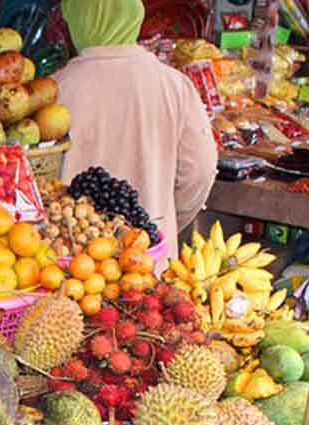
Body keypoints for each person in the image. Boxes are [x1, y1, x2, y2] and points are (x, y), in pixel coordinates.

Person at [56, 0, 217, 251]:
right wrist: (165, 220)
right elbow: (200, 171)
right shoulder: (174, 85)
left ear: (78, 19)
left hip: (72, 258)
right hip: (149, 256)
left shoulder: (55, 89)